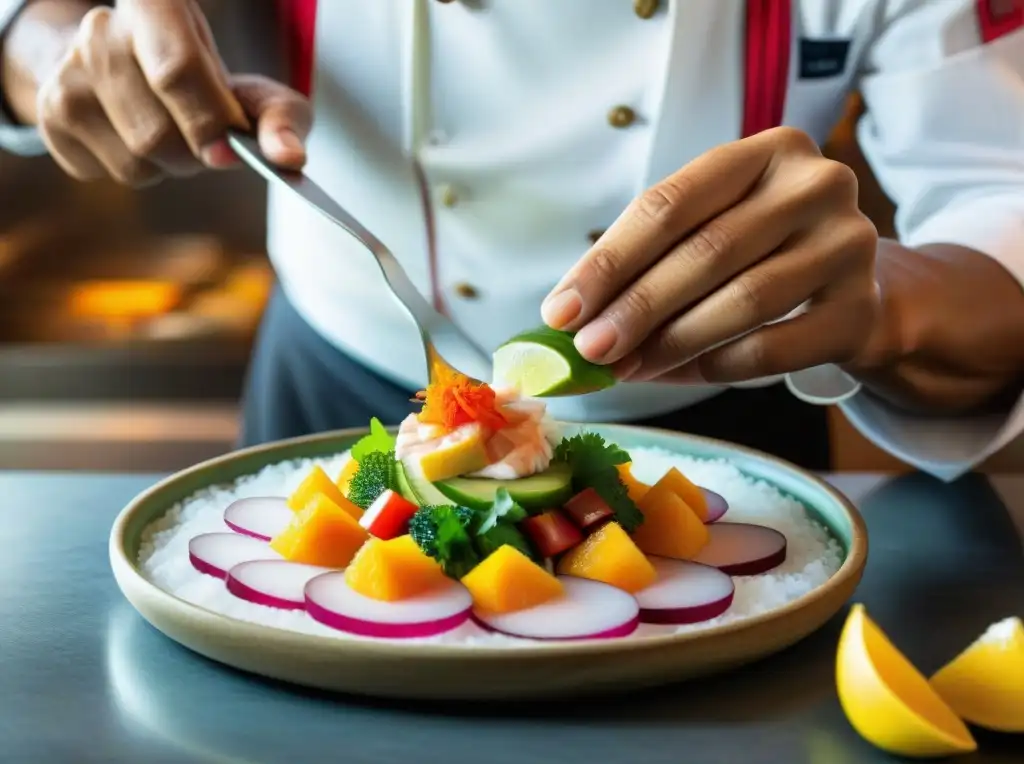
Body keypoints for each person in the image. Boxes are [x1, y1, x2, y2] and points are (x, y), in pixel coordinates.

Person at [2, 0, 1022, 479]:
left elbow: (999, 193)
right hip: (333, 390)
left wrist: (884, 302)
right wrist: (54, 52)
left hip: (722, 436)